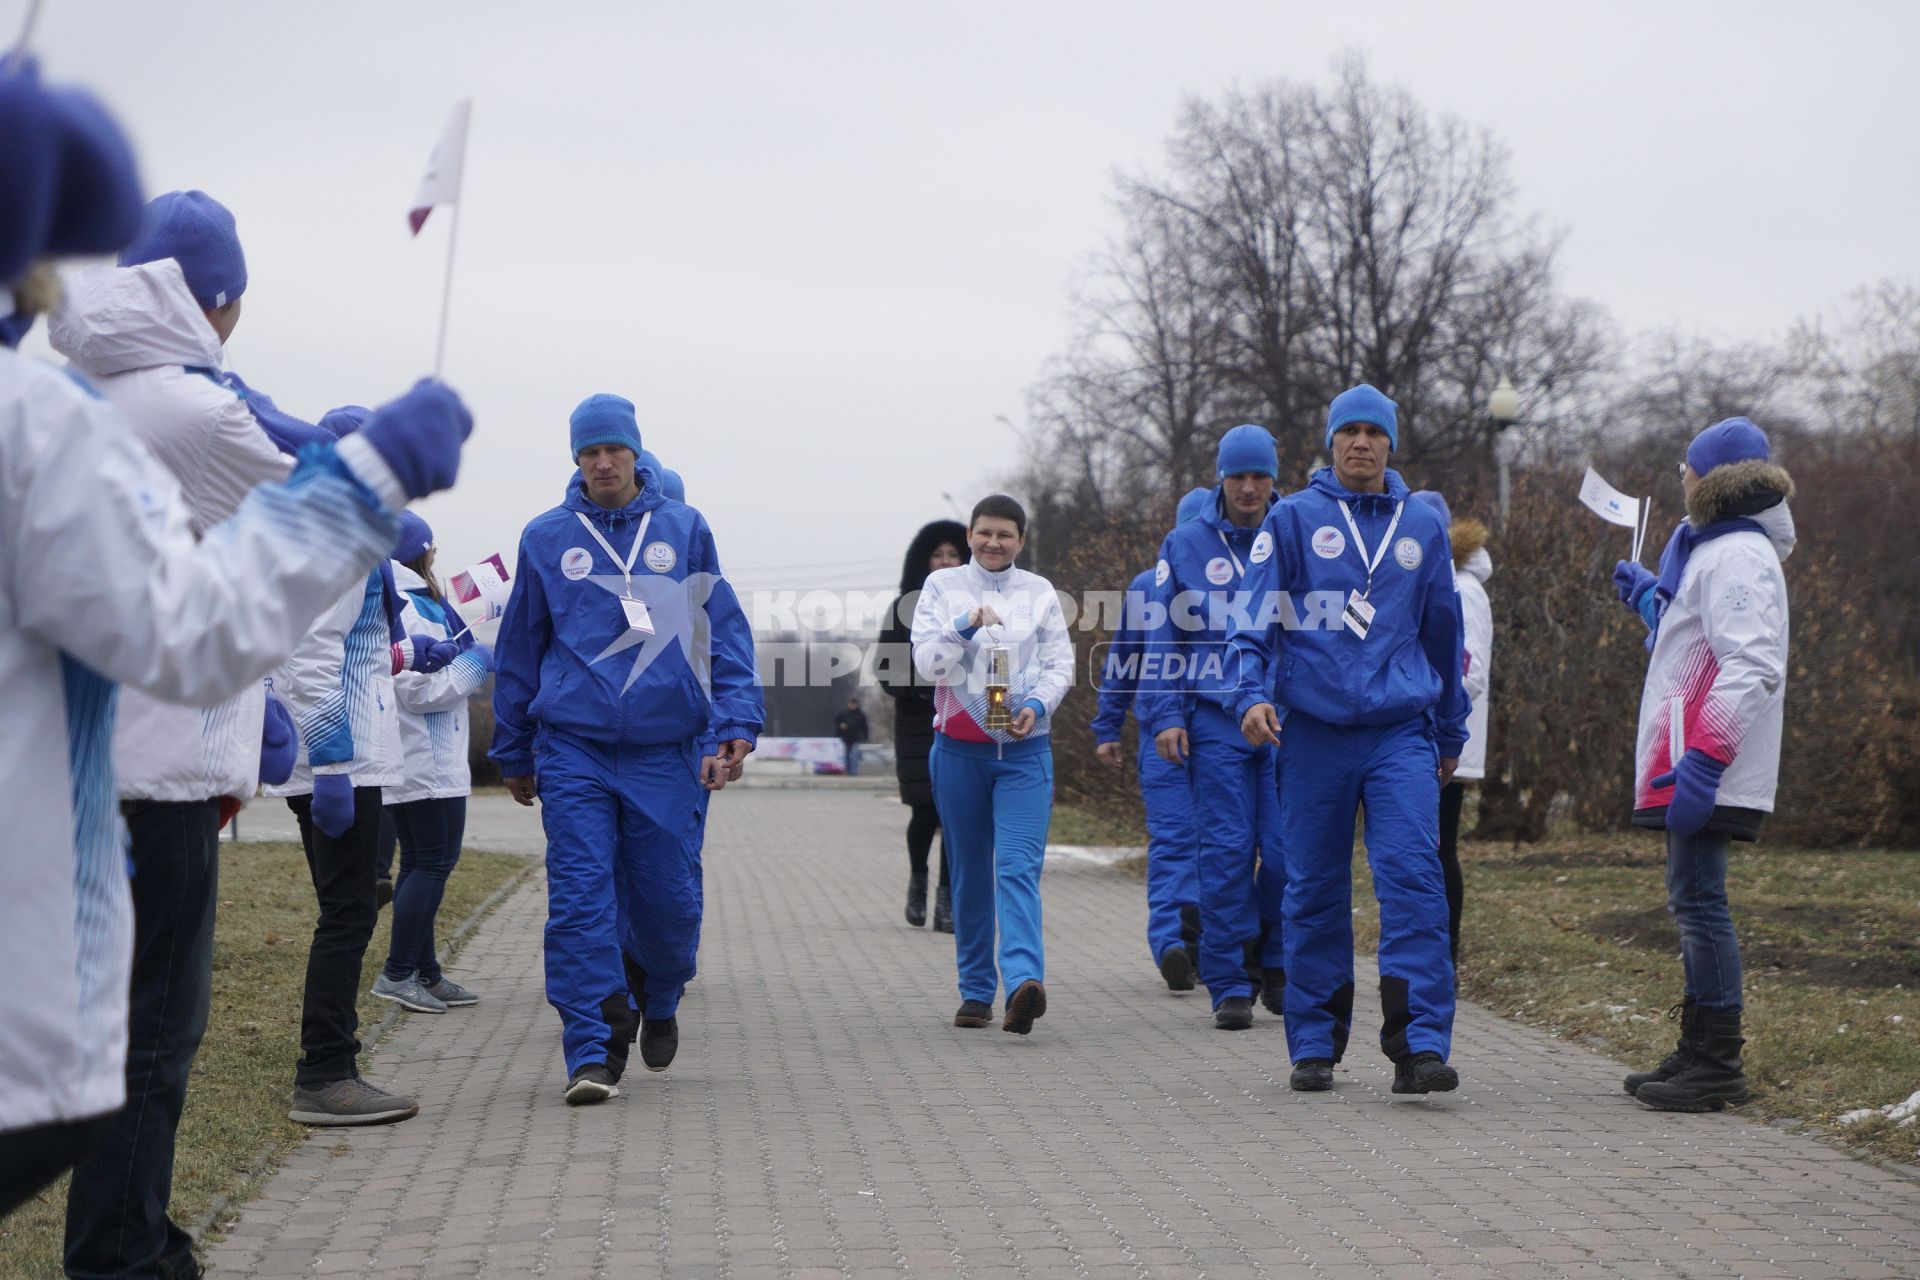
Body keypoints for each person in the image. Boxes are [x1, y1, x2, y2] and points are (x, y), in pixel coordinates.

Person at [0, 51, 475, 1216]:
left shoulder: (78, 387)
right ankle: (129, 1247)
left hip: (105, 758)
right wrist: (374, 477)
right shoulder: (150, 405)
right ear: (217, 297)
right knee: (141, 1041)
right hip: (140, 772)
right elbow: (210, 598)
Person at [491, 394, 762, 1105]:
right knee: (580, 899)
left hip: (664, 748)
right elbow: (520, 644)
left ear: (636, 454)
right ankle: (593, 1046)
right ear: (576, 460)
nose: (603, 462)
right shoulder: (547, 537)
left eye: (613, 449)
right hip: (573, 746)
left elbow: (720, 631)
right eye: (589, 452)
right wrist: (514, 746)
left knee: (668, 903)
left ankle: (660, 990)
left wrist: (733, 716)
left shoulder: (684, 527)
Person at [1228, 384, 1468, 1095]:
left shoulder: (1421, 523)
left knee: (1414, 880)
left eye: (1374, 432)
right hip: (1316, 738)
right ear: (1330, 442)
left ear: (1391, 444)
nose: (1361, 442)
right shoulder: (1294, 519)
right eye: (1348, 431)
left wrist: (1450, 728)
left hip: (1400, 734)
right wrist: (1249, 694)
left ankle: (1419, 1044)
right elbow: (1253, 620)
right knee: (1313, 888)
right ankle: (1313, 1042)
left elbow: (1444, 633)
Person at [265, 404, 460, 1128]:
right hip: (336, 760)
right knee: (347, 913)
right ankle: (326, 1074)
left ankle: (332, 1064)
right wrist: (337, 768)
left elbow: (350, 647)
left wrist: (411, 653)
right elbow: (311, 660)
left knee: (345, 908)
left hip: (343, 752)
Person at [1612, 417, 1792, 1113]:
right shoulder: (1713, 552)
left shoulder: (1737, 556)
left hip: (1707, 762)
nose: (1680, 478)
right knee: (1690, 897)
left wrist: (1706, 762)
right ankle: (1698, 1046)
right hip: (1690, 758)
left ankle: (1718, 1060)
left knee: (1699, 901)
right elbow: (1700, 644)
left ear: (1711, 482)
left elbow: (1751, 662)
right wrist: (1653, 603)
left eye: (1687, 468)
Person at [1139, 427, 1289, 1030]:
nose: (1249, 488)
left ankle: (1277, 963)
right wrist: (1167, 713)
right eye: (1238, 476)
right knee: (1225, 856)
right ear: (1220, 478)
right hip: (1213, 721)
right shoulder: (1185, 543)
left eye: (1260, 476)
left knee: (1285, 856)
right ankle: (1229, 981)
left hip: (1287, 723)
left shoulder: (1296, 530)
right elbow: (1161, 635)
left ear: (1273, 478)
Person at [911, 495, 1074, 1035]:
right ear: (970, 534)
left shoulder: (1040, 592)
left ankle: (1025, 982)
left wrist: (1035, 705)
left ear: (1021, 541)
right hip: (959, 754)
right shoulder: (941, 587)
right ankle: (977, 991)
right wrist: (964, 625)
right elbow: (927, 662)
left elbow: (1060, 664)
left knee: (1017, 869)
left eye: (1005, 534)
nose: (993, 543)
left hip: (1025, 756)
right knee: (971, 872)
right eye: (984, 533)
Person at [371, 512, 494, 1014]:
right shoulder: (410, 605)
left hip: (423, 759)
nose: (437, 556)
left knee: (420, 865)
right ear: (419, 552)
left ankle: (426, 972)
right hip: (426, 760)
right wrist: (475, 664)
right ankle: (397, 973)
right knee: (434, 864)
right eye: (433, 548)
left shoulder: (421, 600)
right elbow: (418, 689)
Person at [1090, 490, 1209, 991]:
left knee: (1200, 845)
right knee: (1189, 842)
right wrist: (1106, 724)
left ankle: (1189, 942)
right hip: (1171, 738)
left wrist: (1108, 724)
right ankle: (1177, 944)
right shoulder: (1148, 588)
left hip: (1209, 737)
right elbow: (1124, 660)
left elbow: (1121, 665)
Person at [1410, 490, 1493, 967]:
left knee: (1439, 851)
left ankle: (1444, 959)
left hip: (1445, 741)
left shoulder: (1462, 589)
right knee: (1421, 852)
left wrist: (1428, 712)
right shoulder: (1429, 579)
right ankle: (1426, 956)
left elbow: (1470, 671)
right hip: (1421, 737)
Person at [877, 520, 966, 930]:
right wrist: (918, 689)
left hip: (963, 717)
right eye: (938, 555)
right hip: (917, 724)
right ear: (924, 560)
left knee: (955, 814)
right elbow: (885, 668)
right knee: (924, 812)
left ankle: (948, 900)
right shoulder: (905, 607)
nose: (946, 561)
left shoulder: (974, 604)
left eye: (953, 554)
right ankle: (918, 880)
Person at [834, 695, 870, 776]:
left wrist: (866, 737)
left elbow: (865, 727)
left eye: (854, 704)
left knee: (854, 755)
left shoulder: (860, 715)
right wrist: (840, 725)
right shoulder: (843, 713)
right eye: (851, 704)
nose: (852, 705)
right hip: (845, 738)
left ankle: (853, 772)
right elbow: (836, 721)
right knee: (846, 755)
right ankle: (847, 770)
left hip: (856, 738)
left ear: (856, 705)